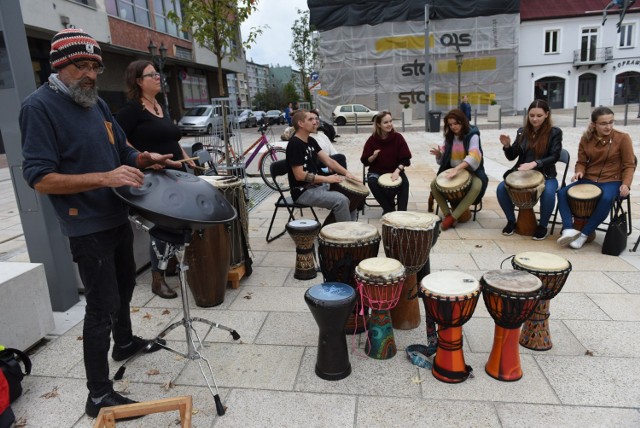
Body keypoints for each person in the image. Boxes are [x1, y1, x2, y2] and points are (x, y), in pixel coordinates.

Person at [20, 29, 182, 418]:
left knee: (125, 285)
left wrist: (145, 159)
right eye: (81, 65)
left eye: (95, 65)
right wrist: (106, 177)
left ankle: (123, 342)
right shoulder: (38, 107)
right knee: (100, 306)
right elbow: (40, 178)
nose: (91, 73)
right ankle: (97, 395)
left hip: (115, 214)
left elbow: (121, 149)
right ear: (60, 65)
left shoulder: (94, 103)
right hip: (84, 224)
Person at [116, 59, 195, 299]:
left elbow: (171, 138)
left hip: (176, 173)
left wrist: (184, 157)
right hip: (153, 178)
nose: (158, 77)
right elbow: (119, 139)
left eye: (157, 74)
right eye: (152, 75)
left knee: (181, 220)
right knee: (163, 225)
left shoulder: (160, 106)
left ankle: (170, 264)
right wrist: (144, 157)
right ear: (139, 81)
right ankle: (157, 278)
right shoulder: (132, 110)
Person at [556, 107, 635, 249]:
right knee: (562, 193)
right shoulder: (586, 139)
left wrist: (626, 184)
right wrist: (579, 172)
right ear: (594, 124)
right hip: (589, 178)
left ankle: (583, 235)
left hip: (612, 180)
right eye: (604, 123)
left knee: (605, 199)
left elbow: (629, 165)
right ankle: (568, 229)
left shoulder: (623, 138)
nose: (609, 126)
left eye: (611, 122)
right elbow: (581, 162)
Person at [497, 99, 562, 240]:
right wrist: (507, 146)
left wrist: (535, 163)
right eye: (532, 115)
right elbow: (511, 156)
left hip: (546, 174)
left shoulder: (554, 132)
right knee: (501, 188)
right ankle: (511, 221)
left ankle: (543, 226)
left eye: (539, 115)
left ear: (547, 115)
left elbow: (555, 156)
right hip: (522, 174)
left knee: (549, 193)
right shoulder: (522, 132)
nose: (534, 119)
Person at [286, 110, 359, 222]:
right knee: (341, 201)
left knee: (353, 196)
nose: (315, 122)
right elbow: (299, 175)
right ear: (301, 123)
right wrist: (327, 179)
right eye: (310, 119)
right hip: (303, 191)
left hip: (317, 185)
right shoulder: (295, 144)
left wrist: (348, 174)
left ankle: (345, 229)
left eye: (315, 119)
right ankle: (345, 234)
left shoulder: (310, 140)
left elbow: (329, 161)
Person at [430, 109, 488, 230]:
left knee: (477, 185)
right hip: (451, 169)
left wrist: (457, 168)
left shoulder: (473, 135)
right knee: (434, 185)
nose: (453, 127)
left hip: (470, 171)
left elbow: (474, 156)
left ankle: (453, 218)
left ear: (462, 122)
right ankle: (447, 214)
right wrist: (439, 155)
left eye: (456, 123)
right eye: (450, 124)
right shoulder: (449, 137)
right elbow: (444, 156)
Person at [360, 111, 412, 214]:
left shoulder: (398, 137)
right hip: (376, 171)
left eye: (390, 121)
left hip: (395, 170)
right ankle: (389, 210)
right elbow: (365, 161)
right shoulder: (372, 140)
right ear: (379, 124)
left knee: (404, 183)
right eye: (385, 122)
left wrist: (397, 171)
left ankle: (402, 214)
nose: (389, 124)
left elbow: (406, 159)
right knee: (372, 182)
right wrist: (373, 156)